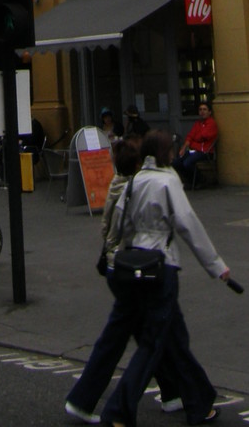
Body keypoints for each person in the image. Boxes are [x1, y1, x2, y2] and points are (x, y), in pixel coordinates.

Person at [97, 130, 231, 427]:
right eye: (170, 150)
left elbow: (119, 223)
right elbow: (187, 224)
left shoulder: (135, 180)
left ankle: (200, 402)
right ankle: (117, 412)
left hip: (135, 266)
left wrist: (114, 255)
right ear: (164, 153)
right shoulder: (168, 180)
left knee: (175, 339)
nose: (173, 153)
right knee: (153, 344)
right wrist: (216, 265)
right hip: (162, 267)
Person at [64, 139, 184, 424]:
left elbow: (108, 228)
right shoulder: (135, 188)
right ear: (139, 164)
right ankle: (90, 401)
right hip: (132, 268)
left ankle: (171, 394)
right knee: (144, 334)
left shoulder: (120, 183)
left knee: (149, 332)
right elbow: (122, 228)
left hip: (121, 266)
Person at [176, 100, 219, 190]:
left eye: (204, 109)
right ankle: (191, 180)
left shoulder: (211, 124)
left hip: (205, 151)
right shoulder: (197, 124)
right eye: (200, 110)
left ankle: (200, 180)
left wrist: (192, 142)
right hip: (195, 150)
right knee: (177, 162)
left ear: (209, 112)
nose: (202, 112)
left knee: (187, 163)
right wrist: (184, 148)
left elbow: (202, 136)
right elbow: (190, 137)